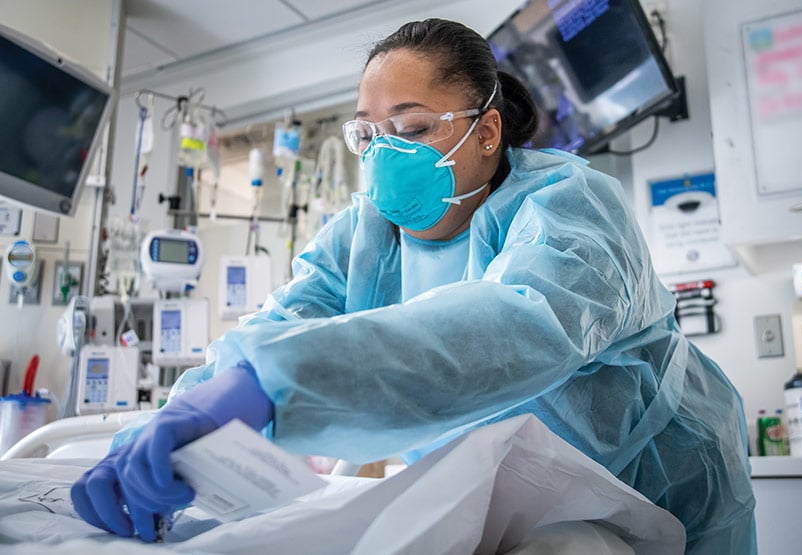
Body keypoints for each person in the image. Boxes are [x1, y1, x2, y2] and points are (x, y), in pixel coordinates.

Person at [73, 18, 756, 553]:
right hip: (499, 502)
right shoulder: (361, 236)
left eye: (412, 127)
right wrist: (166, 424)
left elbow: (512, 329)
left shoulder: (568, 204)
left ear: (486, 132)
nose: (384, 153)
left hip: (654, 487)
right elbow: (274, 332)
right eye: (368, 134)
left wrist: (272, 385)